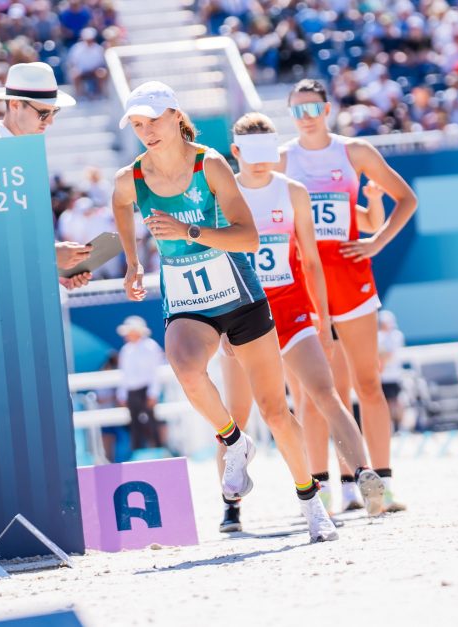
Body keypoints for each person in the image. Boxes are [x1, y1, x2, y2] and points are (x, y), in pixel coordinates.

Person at [111, 81, 338, 543]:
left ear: (176, 115)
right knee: (185, 367)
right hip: (188, 299)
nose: (146, 131)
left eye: (153, 120)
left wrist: (187, 230)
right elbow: (120, 205)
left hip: (238, 292)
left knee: (276, 411)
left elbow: (248, 238)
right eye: (137, 125)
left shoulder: (209, 164)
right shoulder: (129, 178)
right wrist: (133, 263)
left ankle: (311, 503)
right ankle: (235, 442)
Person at [216, 113, 385, 531]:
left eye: (267, 154)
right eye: (251, 155)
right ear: (235, 153)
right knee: (236, 412)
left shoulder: (292, 191)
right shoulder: (223, 194)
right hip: (240, 312)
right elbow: (216, 258)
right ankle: (230, 505)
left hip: (290, 308)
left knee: (324, 391)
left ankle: (365, 474)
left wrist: (323, 318)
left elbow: (310, 260)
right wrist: (218, 323)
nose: (260, 163)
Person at [278, 79, 417, 512]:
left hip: (350, 279)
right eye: (297, 110)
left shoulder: (354, 151)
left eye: (313, 107)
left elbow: (406, 200)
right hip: (303, 286)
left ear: (328, 108)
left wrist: (376, 242)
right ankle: (324, 491)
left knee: (368, 382)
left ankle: (384, 483)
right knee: (317, 393)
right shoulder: (282, 158)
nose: (306, 116)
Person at [0, 61, 92, 290]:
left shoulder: (20, 154)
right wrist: (52, 257)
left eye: (54, 112)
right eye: (44, 113)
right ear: (15, 105)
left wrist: (56, 268)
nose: (51, 121)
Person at [116, 315, 165, 451]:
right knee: (134, 423)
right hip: (132, 391)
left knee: (151, 421)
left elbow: (155, 372)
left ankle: (157, 449)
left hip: (146, 389)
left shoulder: (150, 347)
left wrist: (153, 393)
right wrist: (122, 394)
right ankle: (137, 451)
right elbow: (124, 374)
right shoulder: (126, 350)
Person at [377, 309, 406, 432]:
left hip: (395, 375)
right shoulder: (378, 336)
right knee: (385, 404)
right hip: (383, 376)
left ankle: (399, 427)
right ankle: (389, 428)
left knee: (397, 402)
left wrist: (382, 357)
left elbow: (388, 354)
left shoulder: (396, 335)